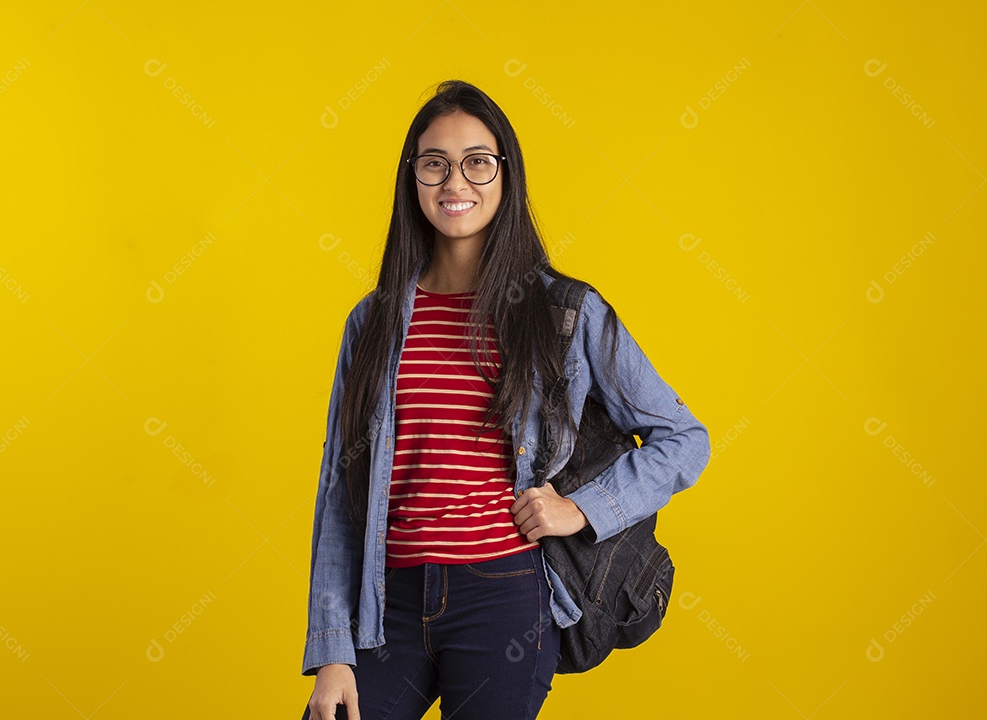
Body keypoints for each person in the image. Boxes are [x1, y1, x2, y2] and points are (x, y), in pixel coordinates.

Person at [301, 79, 710, 720]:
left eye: (477, 162)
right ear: (412, 176)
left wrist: (582, 508)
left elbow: (685, 440)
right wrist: (331, 649)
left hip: (504, 598)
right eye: (434, 163)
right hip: (389, 603)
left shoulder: (563, 312)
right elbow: (340, 492)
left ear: (505, 174)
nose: (454, 182)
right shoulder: (373, 321)